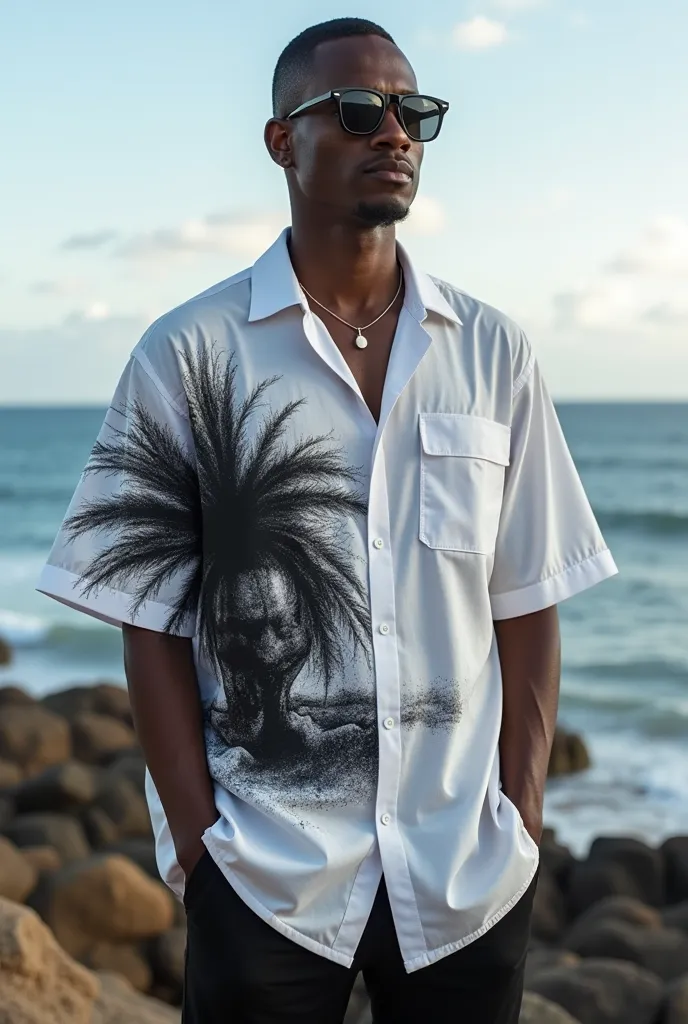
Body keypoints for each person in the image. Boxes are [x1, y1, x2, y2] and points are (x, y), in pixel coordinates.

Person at [37, 17, 618, 1024]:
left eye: (413, 112)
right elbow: (147, 616)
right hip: (266, 874)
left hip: (461, 874)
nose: (392, 132)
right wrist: (201, 840)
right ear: (281, 141)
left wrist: (519, 816)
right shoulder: (188, 356)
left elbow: (527, 598)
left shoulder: (491, 352)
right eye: (357, 110)